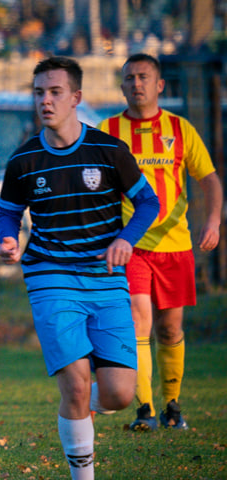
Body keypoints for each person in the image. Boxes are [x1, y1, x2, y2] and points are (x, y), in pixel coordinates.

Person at [0, 56, 160, 480]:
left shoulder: (108, 152)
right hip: (50, 276)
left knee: (120, 394)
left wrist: (126, 239)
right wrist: (9, 239)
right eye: (38, 93)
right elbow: (8, 211)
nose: (45, 101)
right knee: (73, 383)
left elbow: (148, 203)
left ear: (76, 98)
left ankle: (80, 393)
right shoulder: (25, 159)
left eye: (54, 93)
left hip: (106, 280)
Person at [97, 53, 223, 431]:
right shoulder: (107, 130)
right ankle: (145, 410)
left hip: (176, 245)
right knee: (138, 320)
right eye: (130, 78)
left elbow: (211, 181)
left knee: (170, 329)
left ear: (159, 85)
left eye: (144, 77)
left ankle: (172, 406)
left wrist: (214, 221)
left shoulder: (180, 129)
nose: (137, 84)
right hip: (129, 246)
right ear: (122, 86)